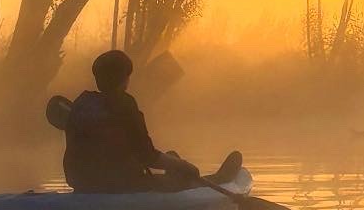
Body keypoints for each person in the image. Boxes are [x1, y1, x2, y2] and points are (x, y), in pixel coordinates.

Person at [60, 49, 239, 194]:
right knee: (180, 175)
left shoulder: (82, 103)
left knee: (171, 159)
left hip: (81, 183)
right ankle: (214, 182)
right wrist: (185, 166)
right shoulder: (125, 104)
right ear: (124, 79)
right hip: (120, 185)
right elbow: (147, 156)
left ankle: (182, 172)